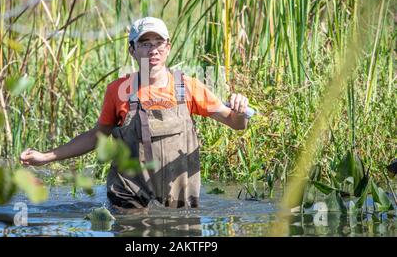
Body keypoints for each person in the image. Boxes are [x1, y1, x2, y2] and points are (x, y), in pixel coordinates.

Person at [20, 17, 250, 209]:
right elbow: (96, 137)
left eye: (159, 42)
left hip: (179, 203)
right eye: (145, 43)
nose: (154, 50)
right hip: (128, 199)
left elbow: (236, 123)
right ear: (132, 50)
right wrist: (45, 157)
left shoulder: (187, 86)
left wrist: (240, 110)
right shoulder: (118, 90)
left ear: (168, 47)